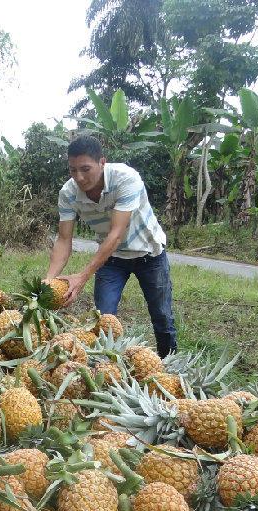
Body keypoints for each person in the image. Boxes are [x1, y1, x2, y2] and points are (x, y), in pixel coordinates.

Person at [45, 135, 177, 357]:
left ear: (102, 162)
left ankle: (170, 368)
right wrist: (49, 280)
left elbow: (116, 234)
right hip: (111, 260)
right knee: (103, 318)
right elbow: (64, 239)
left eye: (86, 169)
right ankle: (105, 366)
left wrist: (82, 277)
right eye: (73, 170)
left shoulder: (126, 178)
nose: (79, 176)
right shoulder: (68, 194)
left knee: (162, 316)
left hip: (149, 254)